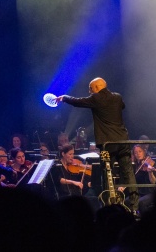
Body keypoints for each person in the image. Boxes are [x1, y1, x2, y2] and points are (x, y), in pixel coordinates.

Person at [55, 78, 139, 212]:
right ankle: (135, 207)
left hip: (108, 143)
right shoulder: (117, 97)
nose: (89, 91)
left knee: (107, 174)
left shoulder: (96, 98)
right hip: (123, 140)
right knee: (128, 172)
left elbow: (78, 102)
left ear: (97, 87)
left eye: (90, 88)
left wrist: (64, 97)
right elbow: (122, 106)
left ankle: (108, 206)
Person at [131, 144, 156, 214]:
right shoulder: (135, 165)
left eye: (140, 151)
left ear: (144, 152)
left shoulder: (150, 163)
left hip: (150, 192)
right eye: (135, 152)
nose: (138, 154)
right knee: (127, 201)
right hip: (140, 192)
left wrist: (150, 173)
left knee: (141, 203)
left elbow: (153, 182)